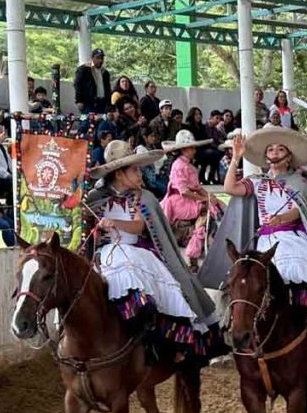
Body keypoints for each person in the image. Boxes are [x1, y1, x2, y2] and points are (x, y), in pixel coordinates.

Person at [202, 127, 307, 349]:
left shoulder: (298, 182)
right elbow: (230, 187)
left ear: (288, 156)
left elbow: (300, 210)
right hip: (264, 241)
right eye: (270, 148)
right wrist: (236, 158)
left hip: (291, 236)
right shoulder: (257, 181)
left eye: (279, 148)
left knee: (298, 268)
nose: (274, 152)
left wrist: (281, 218)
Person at [85, 141, 226, 364]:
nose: (140, 174)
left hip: (137, 250)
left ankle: (162, 340)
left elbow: (140, 227)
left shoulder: (145, 198)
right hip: (106, 253)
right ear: (120, 174)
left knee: (172, 284)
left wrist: (115, 223)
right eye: (135, 169)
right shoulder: (94, 198)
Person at [160, 130, 224, 270]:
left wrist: (210, 197)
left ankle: (195, 253)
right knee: (204, 212)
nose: (194, 150)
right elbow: (184, 191)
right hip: (178, 201)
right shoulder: (179, 165)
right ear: (184, 149)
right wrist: (204, 199)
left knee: (213, 207)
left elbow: (196, 187)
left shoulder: (188, 166)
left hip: (187, 198)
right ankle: (193, 255)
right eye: (191, 147)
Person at [74, 48, 111, 114]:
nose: (100, 60)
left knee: (101, 123)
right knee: (87, 123)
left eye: (102, 58)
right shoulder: (84, 69)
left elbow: (107, 88)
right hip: (88, 104)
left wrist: (109, 103)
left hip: (102, 104)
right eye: (98, 57)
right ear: (92, 58)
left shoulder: (105, 72)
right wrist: (79, 100)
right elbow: (78, 85)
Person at [135, 125, 167, 198]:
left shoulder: (152, 146)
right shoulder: (141, 150)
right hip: (150, 179)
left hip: (158, 175)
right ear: (145, 137)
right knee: (165, 189)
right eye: (152, 136)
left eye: (154, 136)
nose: (154, 138)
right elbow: (150, 163)